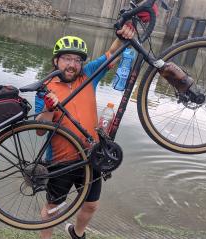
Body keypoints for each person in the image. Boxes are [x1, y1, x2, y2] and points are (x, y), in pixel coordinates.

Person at [35, 5, 158, 239]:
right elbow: (40, 130)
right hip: (61, 161)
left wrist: (124, 34)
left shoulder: (88, 75)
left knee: (91, 205)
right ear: (55, 61)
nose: (71, 64)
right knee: (53, 209)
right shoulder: (45, 87)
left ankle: (77, 233)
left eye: (76, 60)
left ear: (82, 63)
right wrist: (50, 109)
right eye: (66, 59)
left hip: (91, 155)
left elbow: (111, 55)